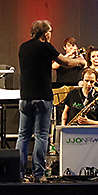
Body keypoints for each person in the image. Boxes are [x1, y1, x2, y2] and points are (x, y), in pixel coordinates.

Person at [18, 19, 81, 181]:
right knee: (41, 135)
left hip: (25, 98)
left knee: (23, 136)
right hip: (42, 97)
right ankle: (38, 174)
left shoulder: (23, 47)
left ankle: (18, 173)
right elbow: (65, 62)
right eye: (50, 32)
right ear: (46, 34)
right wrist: (80, 61)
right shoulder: (45, 46)